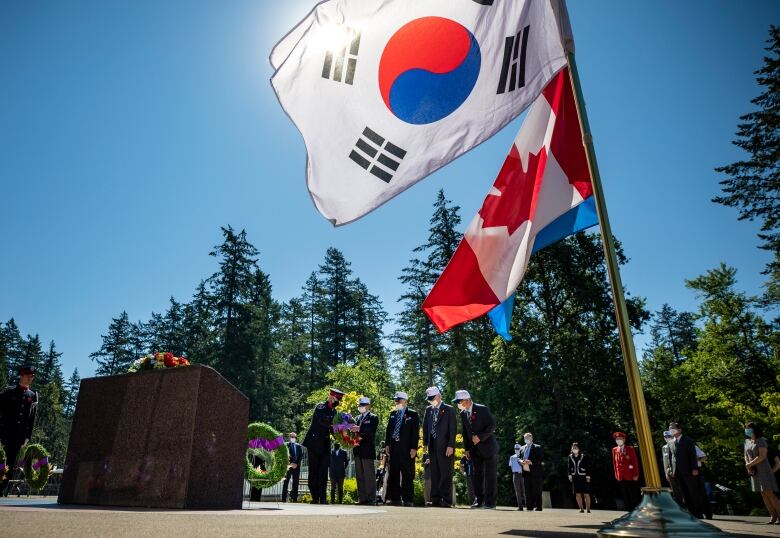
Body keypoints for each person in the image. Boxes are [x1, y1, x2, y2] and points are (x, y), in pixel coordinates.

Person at [454, 389, 498, 509]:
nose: (458, 404)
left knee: (490, 476)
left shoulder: (482, 409)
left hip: (488, 447)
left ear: (467, 400)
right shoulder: (463, 413)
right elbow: (465, 432)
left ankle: (490, 502)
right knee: (477, 475)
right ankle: (479, 500)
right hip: (474, 450)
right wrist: (466, 449)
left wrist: (480, 437)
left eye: (459, 401)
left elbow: (492, 425)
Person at [0, 365, 38, 497]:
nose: (30, 379)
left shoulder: (32, 395)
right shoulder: (8, 392)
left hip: (18, 436)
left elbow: (31, 418)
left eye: (32, 377)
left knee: (9, 463)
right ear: (21, 376)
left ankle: (1, 488)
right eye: (27, 376)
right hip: (3, 433)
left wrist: (28, 435)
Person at [303, 387, 343, 504]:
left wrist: (342, 437)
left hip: (325, 444)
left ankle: (323, 497)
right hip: (314, 443)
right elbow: (323, 421)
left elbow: (333, 430)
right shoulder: (320, 407)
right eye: (337, 399)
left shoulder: (334, 412)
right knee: (314, 471)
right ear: (331, 397)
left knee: (324, 472)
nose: (337, 402)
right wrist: (338, 426)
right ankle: (315, 497)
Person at [422, 386, 456, 507]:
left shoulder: (449, 409)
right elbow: (425, 427)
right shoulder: (428, 410)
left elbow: (452, 429)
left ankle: (446, 500)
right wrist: (425, 443)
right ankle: (435, 499)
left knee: (445, 473)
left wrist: (451, 445)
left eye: (432, 398)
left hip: (445, 446)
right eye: (429, 399)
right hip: (432, 445)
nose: (431, 400)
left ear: (439, 396)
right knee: (434, 473)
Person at [384, 391, 419, 507]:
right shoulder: (393, 413)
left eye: (398, 400)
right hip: (394, 447)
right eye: (395, 400)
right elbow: (389, 430)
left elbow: (415, 433)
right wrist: (387, 445)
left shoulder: (412, 414)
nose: (396, 402)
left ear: (405, 401)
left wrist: (414, 447)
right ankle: (395, 498)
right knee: (394, 473)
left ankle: (408, 499)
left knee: (407, 474)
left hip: (407, 449)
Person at [668, 422, 707, 519]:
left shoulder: (687, 440)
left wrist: (694, 468)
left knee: (693, 492)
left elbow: (692, 455)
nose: (670, 430)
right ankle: (690, 512)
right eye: (669, 428)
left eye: (672, 428)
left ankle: (698, 513)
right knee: (684, 493)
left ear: (679, 430)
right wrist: (672, 470)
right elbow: (671, 457)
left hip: (689, 471)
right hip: (678, 472)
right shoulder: (671, 442)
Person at [743, 421, 780, 524]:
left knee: (769, 493)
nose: (746, 430)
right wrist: (748, 465)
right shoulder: (747, 441)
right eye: (746, 428)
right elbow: (745, 455)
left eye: (748, 428)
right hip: (754, 472)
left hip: (764, 470)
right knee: (763, 494)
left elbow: (762, 456)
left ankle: (779, 517)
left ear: (754, 429)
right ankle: (773, 516)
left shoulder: (761, 441)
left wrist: (749, 464)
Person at [351, 396, 378, 505]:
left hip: (367, 451)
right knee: (360, 476)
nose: (360, 407)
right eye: (359, 405)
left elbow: (370, 431)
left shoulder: (373, 417)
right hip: (357, 450)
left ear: (368, 406)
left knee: (369, 475)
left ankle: (371, 498)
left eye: (362, 405)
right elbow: (353, 432)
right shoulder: (357, 418)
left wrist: (359, 429)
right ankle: (362, 498)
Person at [611, 431, 640, 512]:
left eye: (620, 439)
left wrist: (636, 474)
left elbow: (635, 462)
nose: (618, 440)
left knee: (632, 494)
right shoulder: (614, 449)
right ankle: (628, 511)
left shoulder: (629, 449)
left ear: (624, 439)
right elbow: (614, 463)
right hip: (620, 475)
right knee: (625, 495)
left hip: (630, 475)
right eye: (617, 439)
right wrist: (616, 474)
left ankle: (634, 510)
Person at [567, 442, 591, 513]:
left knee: (586, 493)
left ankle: (588, 509)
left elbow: (587, 466)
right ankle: (581, 508)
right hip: (575, 476)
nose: (574, 449)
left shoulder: (583, 456)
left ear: (579, 449)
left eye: (576, 448)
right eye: (573, 448)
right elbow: (569, 466)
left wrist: (588, 476)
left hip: (583, 476)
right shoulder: (570, 456)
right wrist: (570, 475)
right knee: (577, 493)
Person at [661, 431, 683, 506]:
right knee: (675, 490)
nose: (667, 438)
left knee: (682, 489)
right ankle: (679, 506)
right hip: (669, 471)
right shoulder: (664, 448)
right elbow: (665, 462)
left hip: (678, 471)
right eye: (665, 437)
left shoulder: (677, 444)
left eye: (669, 437)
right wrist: (666, 473)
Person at [282, 432, 303, 502]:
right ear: (289, 437)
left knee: (295, 483)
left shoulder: (299, 446)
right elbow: (285, 456)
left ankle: (294, 499)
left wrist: (296, 464)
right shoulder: (286, 445)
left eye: (294, 437)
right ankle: (283, 499)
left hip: (296, 467)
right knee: (286, 482)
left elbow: (300, 456)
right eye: (291, 436)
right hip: (288, 467)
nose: (293, 438)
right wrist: (291, 463)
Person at [508, 443, 526, 510]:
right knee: (517, 491)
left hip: (523, 475)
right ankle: (520, 506)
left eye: (518, 449)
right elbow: (511, 466)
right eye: (515, 449)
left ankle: (528, 505)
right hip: (515, 474)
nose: (516, 450)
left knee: (525, 491)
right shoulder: (512, 457)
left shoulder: (524, 456)